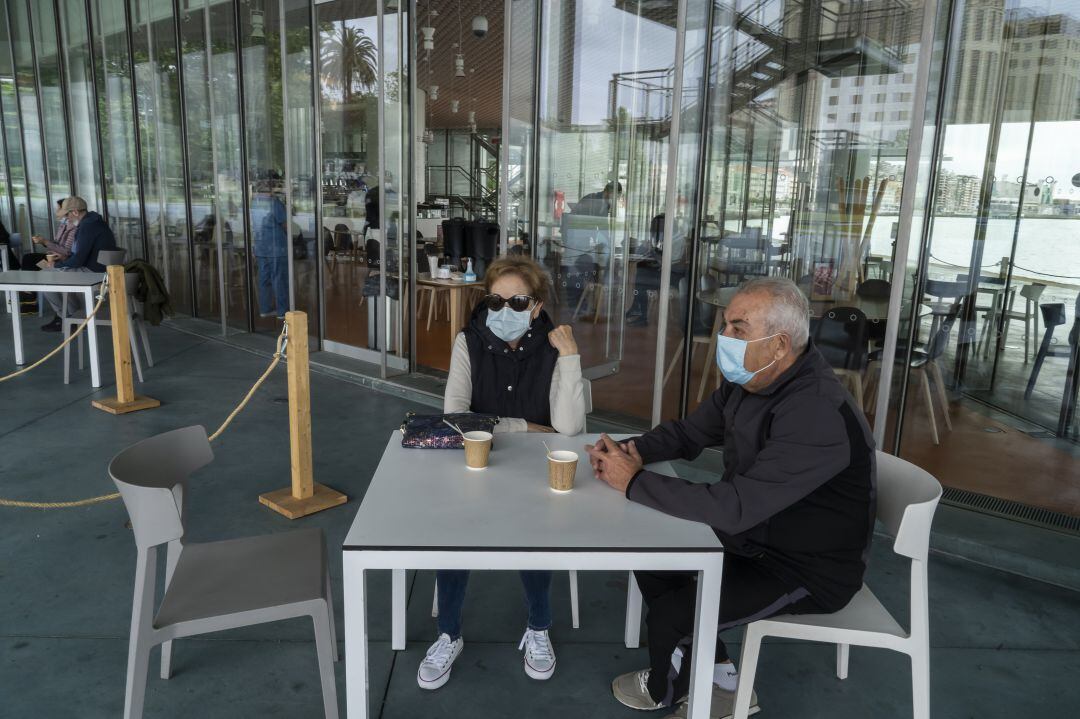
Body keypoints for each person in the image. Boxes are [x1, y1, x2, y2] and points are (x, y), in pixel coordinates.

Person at [588, 277, 875, 719]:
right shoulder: (754, 380)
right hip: (754, 539)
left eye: (738, 329)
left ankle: (672, 689)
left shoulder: (814, 410)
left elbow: (736, 505)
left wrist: (633, 483)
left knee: (676, 615)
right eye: (725, 325)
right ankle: (720, 676)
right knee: (651, 554)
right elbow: (690, 433)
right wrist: (633, 452)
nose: (723, 338)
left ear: (779, 345)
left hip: (804, 567)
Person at [419, 255, 587, 691]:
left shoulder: (554, 345)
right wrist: (524, 425)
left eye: (518, 302)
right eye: (496, 300)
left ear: (536, 307)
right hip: (477, 462)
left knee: (538, 527)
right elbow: (456, 417)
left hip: (535, 466)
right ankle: (448, 634)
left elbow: (569, 428)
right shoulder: (468, 341)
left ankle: (538, 627)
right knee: (454, 528)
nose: (504, 311)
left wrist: (570, 358)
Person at [40, 196, 117, 332]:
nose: (66, 219)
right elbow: (80, 256)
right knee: (56, 277)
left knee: (45, 276)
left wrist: (56, 266)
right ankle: (74, 316)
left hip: (94, 273)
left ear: (75, 212)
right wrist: (64, 260)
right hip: (101, 269)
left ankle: (68, 317)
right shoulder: (94, 221)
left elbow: (78, 260)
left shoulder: (87, 226)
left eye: (67, 215)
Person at [251, 181, 290, 319]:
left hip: (260, 247)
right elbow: (285, 224)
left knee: (264, 278)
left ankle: (265, 309)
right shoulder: (274, 203)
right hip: (276, 247)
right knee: (279, 278)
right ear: (270, 190)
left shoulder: (254, 203)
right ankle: (282, 311)